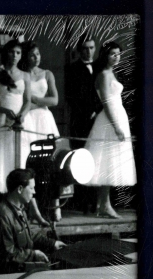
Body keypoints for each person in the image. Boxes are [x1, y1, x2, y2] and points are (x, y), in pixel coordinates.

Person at [0, 40, 47, 226]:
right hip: (1, 121)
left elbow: (28, 100)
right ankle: (4, 213)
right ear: (6, 53)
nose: (14, 56)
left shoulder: (25, 75)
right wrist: (5, 111)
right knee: (0, 164)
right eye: (11, 52)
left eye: (18, 53)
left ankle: (31, 211)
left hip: (20, 122)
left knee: (20, 165)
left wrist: (21, 115)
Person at [84, 41, 136, 218]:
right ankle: (105, 205)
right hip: (110, 119)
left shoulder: (111, 73)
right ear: (105, 55)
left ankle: (102, 204)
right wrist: (116, 127)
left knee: (111, 160)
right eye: (113, 54)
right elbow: (106, 103)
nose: (116, 57)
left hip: (117, 115)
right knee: (107, 160)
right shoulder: (104, 75)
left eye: (118, 54)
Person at [0, 168, 66, 274]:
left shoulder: (19, 208)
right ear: (20, 189)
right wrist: (33, 255)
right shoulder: (2, 217)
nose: (34, 192)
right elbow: (8, 254)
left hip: (18, 270)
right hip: (6, 275)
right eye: (32, 188)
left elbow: (29, 235)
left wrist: (52, 243)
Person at [19, 41, 62, 222]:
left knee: (50, 162)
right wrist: (30, 103)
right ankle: (32, 207)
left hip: (44, 119)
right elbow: (22, 100)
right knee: (31, 163)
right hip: (29, 118)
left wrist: (35, 100)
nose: (36, 58)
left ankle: (54, 204)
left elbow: (54, 100)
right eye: (32, 55)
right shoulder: (22, 75)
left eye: (37, 54)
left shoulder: (47, 74)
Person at [66, 36, 101, 214]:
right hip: (80, 121)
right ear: (80, 50)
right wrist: (87, 112)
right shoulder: (72, 69)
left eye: (91, 48)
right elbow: (71, 96)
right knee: (81, 158)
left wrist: (97, 111)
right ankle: (81, 202)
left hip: (98, 120)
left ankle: (95, 202)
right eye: (85, 48)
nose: (89, 51)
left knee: (96, 157)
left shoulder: (100, 68)